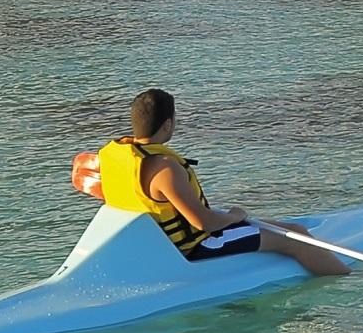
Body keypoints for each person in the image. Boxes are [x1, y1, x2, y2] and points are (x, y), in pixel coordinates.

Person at [95, 89, 345, 275]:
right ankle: (346, 279)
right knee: (296, 239)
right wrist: (233, 216)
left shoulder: (113, 156)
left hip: (155, 245)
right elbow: (203, 223)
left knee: (293, 228)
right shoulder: (164, 168)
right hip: (194, 247)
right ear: (168, 123)